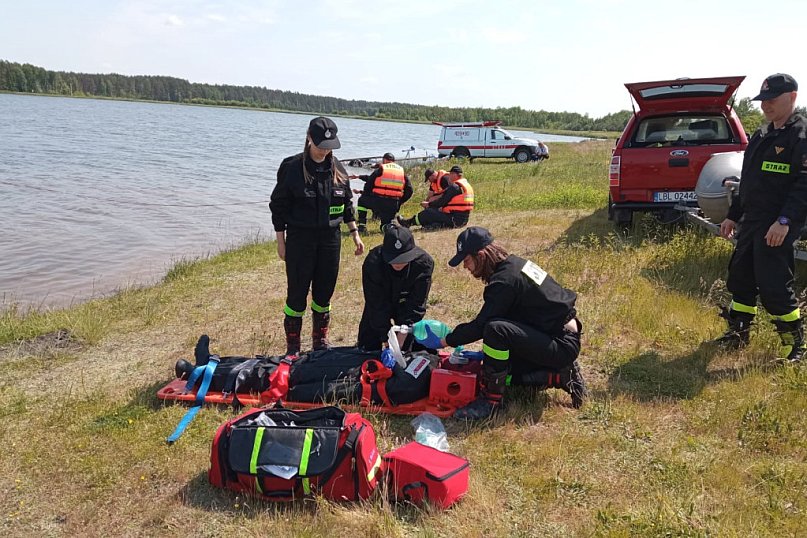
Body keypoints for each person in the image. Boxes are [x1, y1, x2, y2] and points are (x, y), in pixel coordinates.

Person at [415, 227, 587, 419]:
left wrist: (444, 341)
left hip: (560, 344)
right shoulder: (516, 265)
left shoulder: (505, 281)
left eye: (467, 260)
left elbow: (481, 326)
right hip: (558, 335)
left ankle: (491, 401)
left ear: (481, 256)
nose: (465, 267)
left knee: (495, 330)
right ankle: (559, 376)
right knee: (500, 368)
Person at [714, 73, 807, 364]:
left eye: (772, 100)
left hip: (778, 223)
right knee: (740, 276)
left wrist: (785, 221)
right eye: (763, 100)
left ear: (792, 97)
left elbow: (804, 186)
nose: (766, 106)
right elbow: (748, 181)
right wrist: (733, 216)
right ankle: (738, 331)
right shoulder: (762, 134)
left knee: (773, 283)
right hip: (753, 219)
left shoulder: (800, 136)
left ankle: (794, 345)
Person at [269, 116, 365, 356]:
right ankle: (293, 347)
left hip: (330, 240)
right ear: (309, 138)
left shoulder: (338, 168)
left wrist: (354, 233)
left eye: (329, 147)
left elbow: (346, 205)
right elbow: (278, 207)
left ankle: (320, 342)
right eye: (321, 145)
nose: (325, 151)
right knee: (297, 294)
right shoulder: (292, 167)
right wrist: (281, 242)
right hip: (300, 239)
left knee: (324, 291)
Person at [356, 223, 434, 351]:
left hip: (406, 304)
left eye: (403, 259)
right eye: (393, 259)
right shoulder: (373, 263)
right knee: (367, 347)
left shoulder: (424, 264)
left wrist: (403, 332)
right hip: (380, 302)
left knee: (407, 350)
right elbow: (375, 302)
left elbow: (417, 302)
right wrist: (386, 338)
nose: (398, 263)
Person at [349, 152, 413, 233]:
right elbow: (410, 190)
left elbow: (369, 184)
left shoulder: (381, 169)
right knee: (385, 225)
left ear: (384, 160)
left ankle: (362, 226)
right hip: (393, 204)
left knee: (362, 200)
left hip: (378, 201)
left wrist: (366, 194)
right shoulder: (401, 172)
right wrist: (400, 201)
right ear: (394, 161)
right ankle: (389, 227)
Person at [397, 165, 473, 230]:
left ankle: (408, 223)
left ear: (454, 174)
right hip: (462, 220)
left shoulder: (454, 187)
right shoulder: (465, 185)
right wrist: (429, 202)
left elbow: (442, 201)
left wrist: (429, 204)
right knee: (434, 213)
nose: (449, 176)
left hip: (454, 219)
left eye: (450, 174)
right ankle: (432, 226)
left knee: (429, 212)